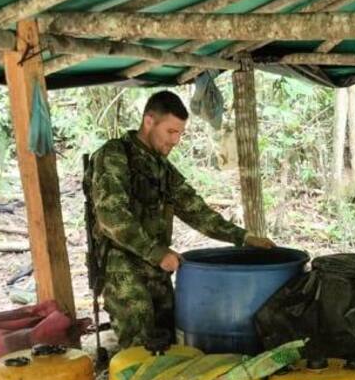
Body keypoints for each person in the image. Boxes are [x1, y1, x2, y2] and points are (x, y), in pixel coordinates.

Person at [84, 90, 274, 349]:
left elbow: (196, 210)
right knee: (140, 349)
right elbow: (111, 216)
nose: (176, 140)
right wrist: (157, 253)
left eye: (180, 133)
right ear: (149, 121)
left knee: (170, 343)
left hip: (157, 269)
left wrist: (243, 237)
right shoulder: (115, 156)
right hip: (123, 270)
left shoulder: (162, 168)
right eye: (171, 131)